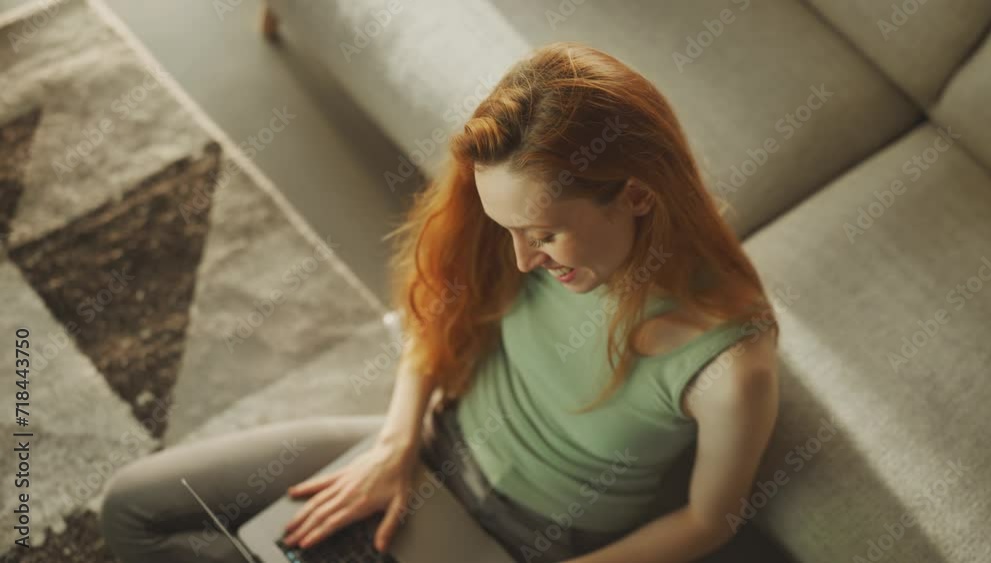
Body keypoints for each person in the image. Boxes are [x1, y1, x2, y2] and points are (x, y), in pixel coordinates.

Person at [100, 41, 780, 563]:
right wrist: (393, 446)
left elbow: (708, 520)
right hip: (426, 447)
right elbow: (437, 319)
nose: (523, 260)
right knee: (133, 509)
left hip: (520, 540)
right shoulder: (522, 233)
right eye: (509, 230)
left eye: (545, 235)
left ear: (637, 195)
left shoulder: (730, 362)